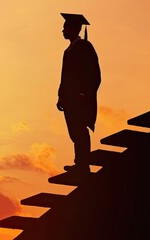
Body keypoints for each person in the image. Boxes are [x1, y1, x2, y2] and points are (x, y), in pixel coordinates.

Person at [56, 13, 101, 174]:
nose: (62, 31)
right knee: (74, 131)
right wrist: (61, 96)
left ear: (73, 29)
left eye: (65, 28)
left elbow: (93, 73)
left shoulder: (84, 47)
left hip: (79, 98)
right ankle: (79, 163)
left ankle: (82, 165)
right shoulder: (69, 51)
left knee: (80, 130)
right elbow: (65, 76)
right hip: (69, 99)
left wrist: (84, 93)